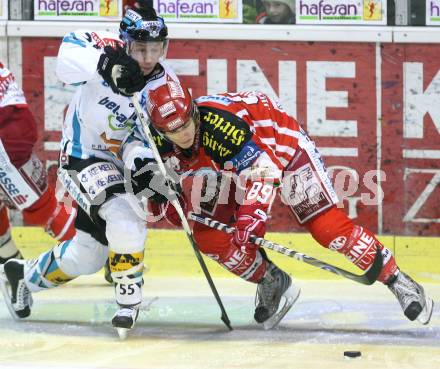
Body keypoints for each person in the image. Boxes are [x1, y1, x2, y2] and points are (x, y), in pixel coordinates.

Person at [143, 83, 434, 326]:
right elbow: (167, 198)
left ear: (194, 111)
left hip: (283, 150)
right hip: (230, 168)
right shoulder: (157, 143)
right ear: (159, 131)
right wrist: (165, 201)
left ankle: (398, 280)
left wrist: (251, 218)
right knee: (209, 236)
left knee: (328, 229)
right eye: (172, 131)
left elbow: (263, 169)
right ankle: (271, 279)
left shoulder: (219, 125)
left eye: (185, 124)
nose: (182, 135)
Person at [0, 6, 177, 338]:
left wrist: (144, 165)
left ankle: (20, 275)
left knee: (88, 255)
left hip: (122, 161)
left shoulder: (164, 85)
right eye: (141, 48)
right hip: (82, 155)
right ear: (124, 40)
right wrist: (105, 64)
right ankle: (128, 300)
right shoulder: (104, 45)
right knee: (124, 213)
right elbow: (65, 61)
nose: (149, 57)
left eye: (157, 48)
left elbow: (150, 138)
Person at [0, 63, 76, 263]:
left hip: (6, 140)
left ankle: (105, 254)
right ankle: (9, 266)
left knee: (42, 209)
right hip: (13, 127)